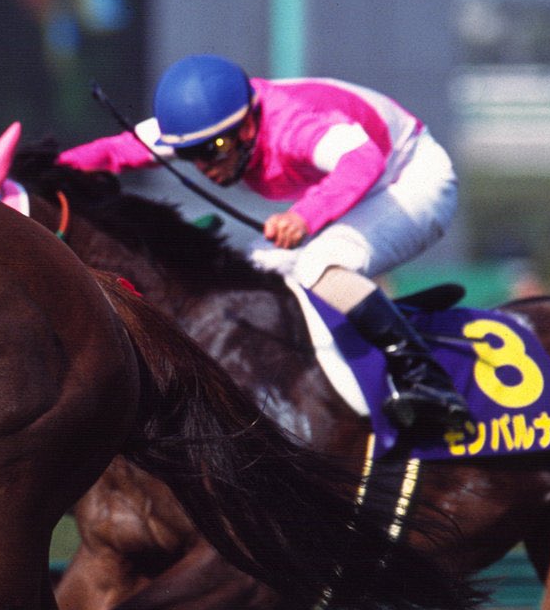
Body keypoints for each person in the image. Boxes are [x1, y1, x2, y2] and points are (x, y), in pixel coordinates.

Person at [58, 54, 472, 437]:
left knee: (319, 265)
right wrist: (33, 174)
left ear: (249, 126)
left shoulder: (291, 126)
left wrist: (303, 216)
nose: (205, 165)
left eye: (215, 149)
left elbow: (362, 160)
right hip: (359, 188)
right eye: (190, 155)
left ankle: (426, 380)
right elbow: (113, 152)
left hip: (411, 180)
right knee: (252, 271)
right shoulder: (209, 126)